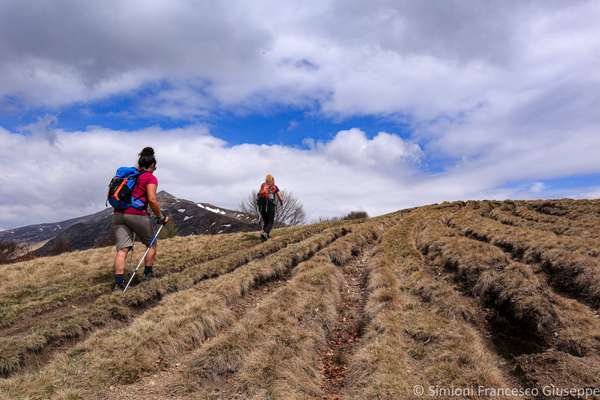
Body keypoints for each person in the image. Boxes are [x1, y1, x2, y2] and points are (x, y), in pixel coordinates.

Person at [112, 147, 169, 291]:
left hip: (118, 213)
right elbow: (152, 199)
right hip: (137, 214)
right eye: (155, 165)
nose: (155, 167)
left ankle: (118, 284)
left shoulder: (132, 175)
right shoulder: (150, 177)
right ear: (152, 165)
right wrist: (160, 216)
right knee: (151, 244)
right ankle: (148, 275)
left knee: (122, 249)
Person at [256, 174, 283, 241]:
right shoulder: (274, 187)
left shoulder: (263, 185)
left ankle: (265, 236)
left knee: (266, 221)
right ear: (273, 180)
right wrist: (281, 202)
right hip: (270, 205)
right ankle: (265, 233)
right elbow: (280, 197)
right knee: (270, 221)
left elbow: (259, 194)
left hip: (261, 205)